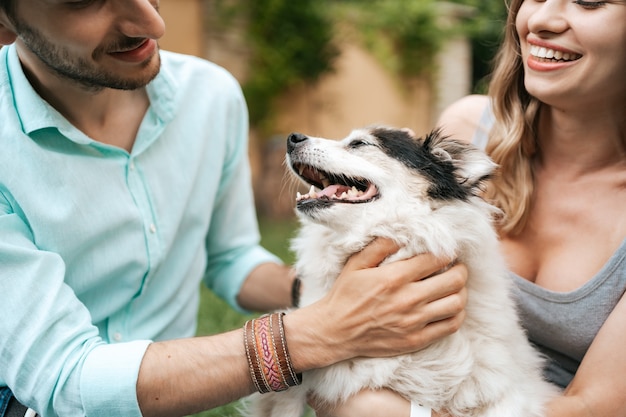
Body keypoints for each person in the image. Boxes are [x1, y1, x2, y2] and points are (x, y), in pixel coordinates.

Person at [0, 1, 470, 416]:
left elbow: (231, 258)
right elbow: (64, 383)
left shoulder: (210, 95)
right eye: (85, 1)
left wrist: (340, 291)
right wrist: (319, 330)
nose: (151, 21)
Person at [317, 0, 626, 416]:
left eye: (589, 1)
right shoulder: (469, 133)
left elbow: (595, 405)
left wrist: (380, 408)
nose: (541, 19)